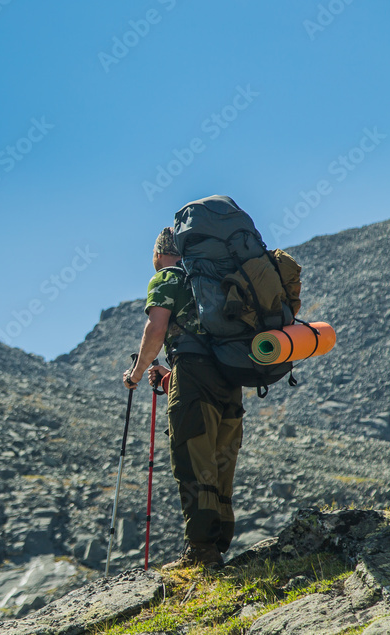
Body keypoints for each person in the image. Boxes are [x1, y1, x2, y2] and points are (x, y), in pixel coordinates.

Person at [122, 227, 244, 570]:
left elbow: (156, 330)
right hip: (232, 378)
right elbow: (209, 349)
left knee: (193, 458)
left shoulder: (168, 278)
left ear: (161, 256)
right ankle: (218, 544)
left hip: (194, 376)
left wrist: (135, 376)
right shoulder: (216, 279)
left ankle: (201, 551)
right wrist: (168, 378)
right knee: (221, 460)